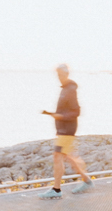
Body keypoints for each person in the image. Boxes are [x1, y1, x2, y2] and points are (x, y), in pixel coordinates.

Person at [38, 63, 94, 198]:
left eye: (61, 74)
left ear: (66, 74)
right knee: (68, 156)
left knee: (57, 156)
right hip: (63, 129)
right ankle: (87, 181)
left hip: (67, 129)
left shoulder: (70, 89)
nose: (59, 77)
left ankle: (56, 190)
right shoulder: (65, 88)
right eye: (57, 74)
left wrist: (61, 116)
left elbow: (76, 111)